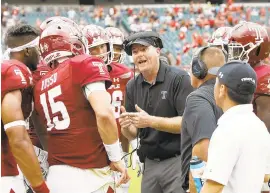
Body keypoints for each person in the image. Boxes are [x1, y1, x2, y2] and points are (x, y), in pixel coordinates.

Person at [34, 22, 129, 193]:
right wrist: (116, 157)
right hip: (90, 173)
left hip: (56, 174)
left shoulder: (41, 84)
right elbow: (105, 114)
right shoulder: (84, 63)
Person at [120, 31, 193, 193]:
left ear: (158, 51)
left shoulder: (179, 78)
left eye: (144, 49)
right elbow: (133, 134)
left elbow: (187, 124)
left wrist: (150, 121)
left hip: (177, 161)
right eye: (135, 51)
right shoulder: (132, 86)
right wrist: (125, 126)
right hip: (150, 164)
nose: (139, 55)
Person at [201, 61, 270, 193]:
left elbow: (214, 186)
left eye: (216, 82)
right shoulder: (259, 126)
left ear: (222, 90)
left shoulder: (227, 130)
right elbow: (265, 175)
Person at [2, 24, 49, 193]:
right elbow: (17, 138)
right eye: (39, 49)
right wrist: (42, 189)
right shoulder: (14, 70)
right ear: (28, 51)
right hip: (5, 173)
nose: (42, 54)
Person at [180, 46, 225, 193]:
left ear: (198, 69)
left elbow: (202, 151)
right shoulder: (229, 95)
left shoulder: (197, 98)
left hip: (206, 186)